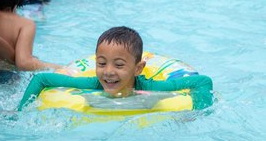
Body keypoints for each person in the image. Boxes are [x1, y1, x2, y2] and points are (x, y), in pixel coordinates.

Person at [18, 26, 213, 110]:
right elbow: (41, 79)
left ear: (138, 69)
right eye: (101, 63)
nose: (108, 71)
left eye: (119, 65)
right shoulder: (92, 83)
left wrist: (193, 115)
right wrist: (19, 111)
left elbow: (203, 82)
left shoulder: (151, 87)